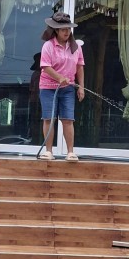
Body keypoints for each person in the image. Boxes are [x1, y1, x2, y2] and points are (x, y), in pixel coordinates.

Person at [38, 11, 85, 161]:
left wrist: (81, 87)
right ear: (56, 30)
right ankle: (48, 151)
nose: (67, 32)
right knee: (48, 118)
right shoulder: (48, 46)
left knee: (68, 119)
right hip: (47, 87)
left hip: (68, 88)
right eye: (63, 29)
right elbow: (45, 66)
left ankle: (70, 152)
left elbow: (79, 67)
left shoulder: (76, 47)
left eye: (68, 29)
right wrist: (59, 78)